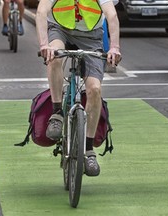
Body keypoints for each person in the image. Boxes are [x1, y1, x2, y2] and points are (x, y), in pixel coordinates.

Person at [36, 0, 121, 176]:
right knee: (54, 57)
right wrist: (44, 44)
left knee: (95, 90)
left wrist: (114, 47)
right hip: (59, 30)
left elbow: (111, 15)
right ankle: (57, 113)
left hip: (91, 36)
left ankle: (88, 150)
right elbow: (42, 11)